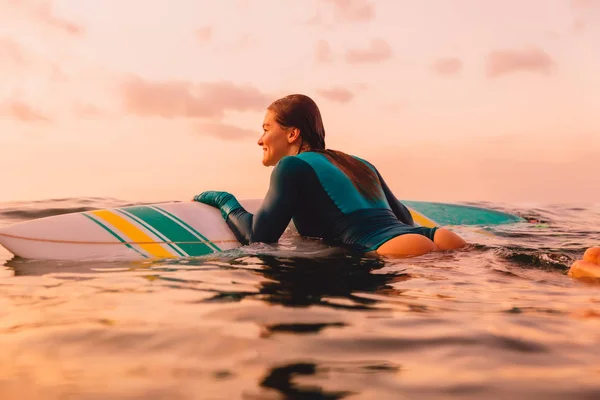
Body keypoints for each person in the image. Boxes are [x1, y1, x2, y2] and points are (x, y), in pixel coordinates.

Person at [193, 94, 467, 257]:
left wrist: (224, 200)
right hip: (437, 237)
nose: (260, 139)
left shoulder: (291, 167)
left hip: (392, 250)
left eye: (266, 128)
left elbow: (259, 236)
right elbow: (404, 218)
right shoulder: (360, 163)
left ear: (292, 133)